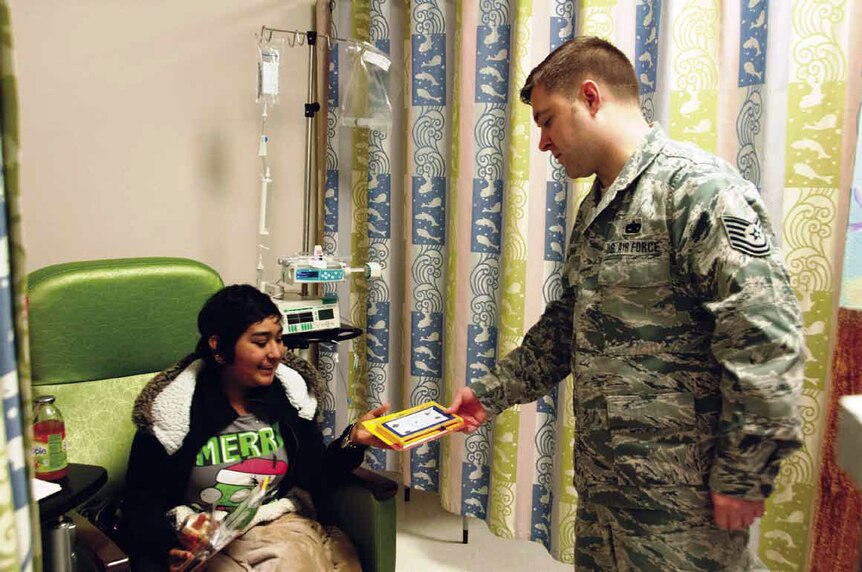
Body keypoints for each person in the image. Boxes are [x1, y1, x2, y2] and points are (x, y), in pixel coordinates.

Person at [448, 37, 804, 571]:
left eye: (547, 121)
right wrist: (490, 395)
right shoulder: (599, 205)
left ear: (590, 97)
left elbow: (765, 338)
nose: (543, 142)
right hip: (606, 492)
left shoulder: (698, 191)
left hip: (681, 504)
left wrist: (745, 474)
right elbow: (565, 328)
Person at [120, 284, 390, 572]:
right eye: (261, 342)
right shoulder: (175, 412)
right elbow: (140, 504)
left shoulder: (288, 399)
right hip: (207, 540)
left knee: (299, 557)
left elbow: (315, 475)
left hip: (277, 525)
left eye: (279, 339)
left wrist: (355, 439)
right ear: (219, 347)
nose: (276, 353)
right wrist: (168, 547)